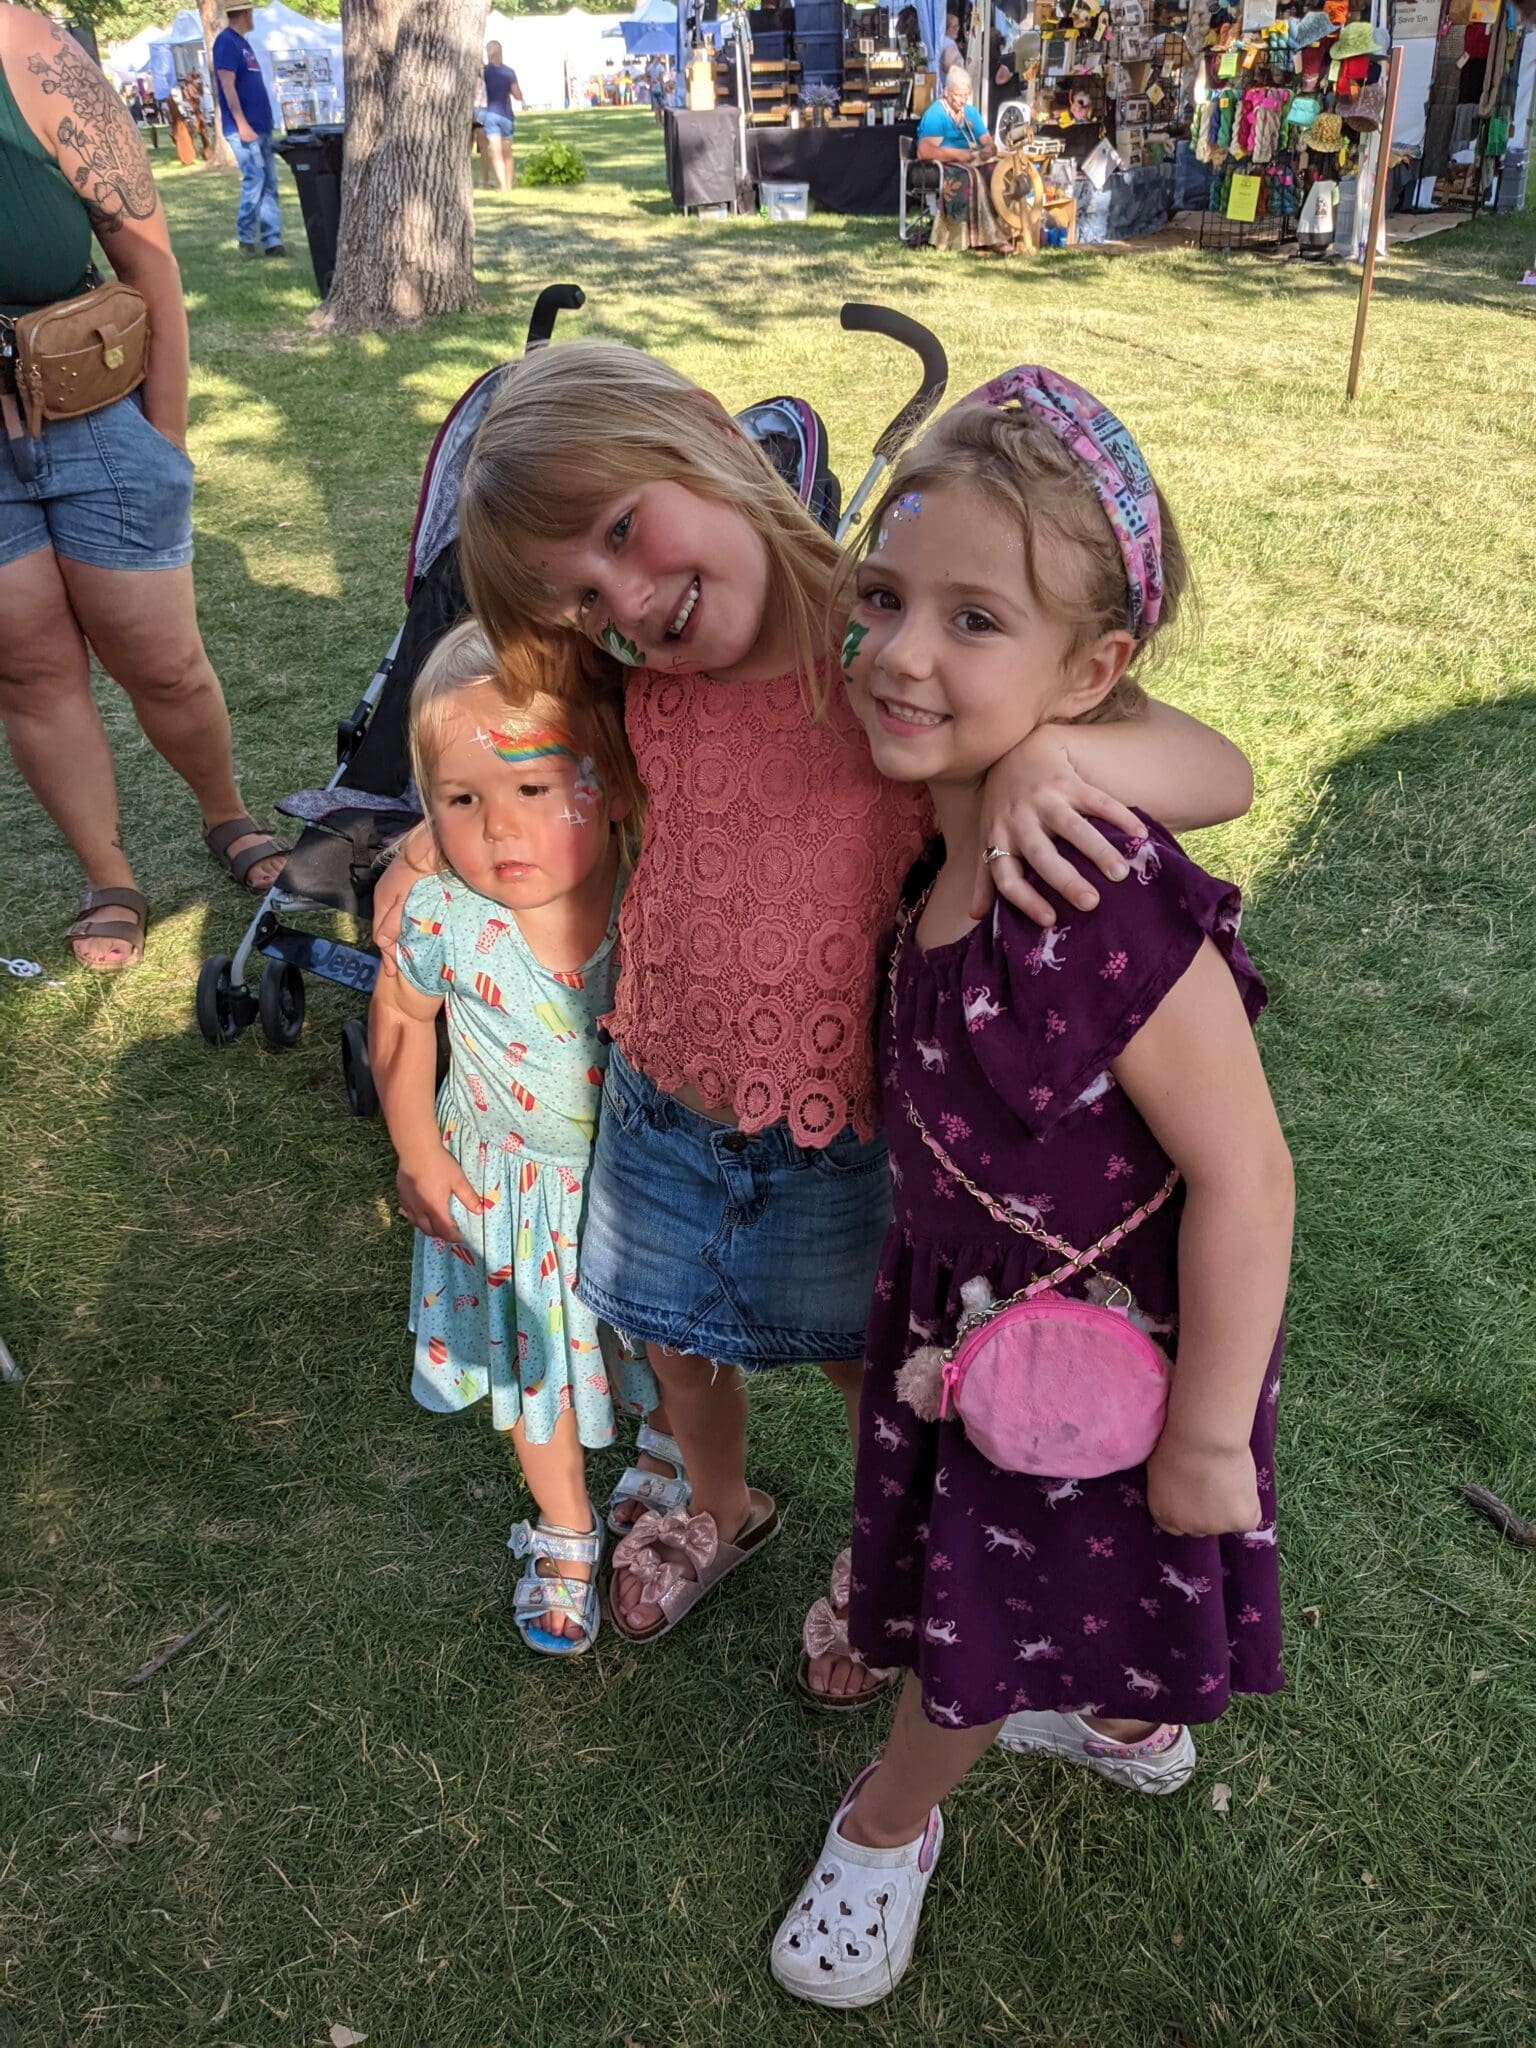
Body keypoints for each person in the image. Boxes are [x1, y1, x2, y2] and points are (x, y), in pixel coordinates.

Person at [372, 341, 1254, 1690]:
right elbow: (501, 742)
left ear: (700, 435)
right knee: (675, 1342)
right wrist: (421, 845)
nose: (626, 599)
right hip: (663, 1099)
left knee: (870, 1373)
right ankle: (717, 1504)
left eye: (622, 530)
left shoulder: (895, 637)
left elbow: (1219, 769)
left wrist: (1060, 756)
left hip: (847, 1129)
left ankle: (882, 1554)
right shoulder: (635, 685)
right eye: (583, 595)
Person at [769, 369, 1293, 2006]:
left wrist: (1207, 1430)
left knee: (986, 1600)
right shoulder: (954, 825)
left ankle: (888, 1819)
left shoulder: (1085, 883)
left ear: (1092, 675)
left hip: (1095, 1352)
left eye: (973, 618)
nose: (903, 651)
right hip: (966, 1319)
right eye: (885, 598)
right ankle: (1124, 1715)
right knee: (1052, 1577)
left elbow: (1249, 1167)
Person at [370, 621, 666, 1654]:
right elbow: (402, 1020)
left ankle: (669, 1454)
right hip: (515, 1199)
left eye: (534, 789)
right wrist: (418, 1150)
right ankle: (567, 1526)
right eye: (462, 801)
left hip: (647, 1186)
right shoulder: (444, 917)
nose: (499, 827)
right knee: (540, 1371)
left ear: (615, 787)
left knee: (672, 1348)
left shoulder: (656, 888)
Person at [0, 3, 286, 969]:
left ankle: (226, 815)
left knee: (160, 658)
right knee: (29, 668)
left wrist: (164, 442)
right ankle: (108, 876)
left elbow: (150, 264)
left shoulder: (27, 50)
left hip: (89, 409)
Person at [212, 3, 284, 257]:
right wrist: (241, 123)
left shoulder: (243, 44)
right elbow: (227, 86)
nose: (252, 16)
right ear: (245, 14)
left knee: (269, 183)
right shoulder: (226, 43)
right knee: (255, 180)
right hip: (244, 128)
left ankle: (272, 240)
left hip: (261, 127)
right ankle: (246, 238)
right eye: (250, 11)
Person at [916, 65, 1007, 251]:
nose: (963, 100)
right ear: (946, 92)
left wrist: (990, 149)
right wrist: (959, 155)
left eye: (966, 95)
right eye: (958, 95)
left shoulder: (970, 112)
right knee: (968, 176)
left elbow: (989, 142)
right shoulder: (936, 113)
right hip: (941, 165)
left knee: (998, 170)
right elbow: (924, 151)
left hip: (970, 159)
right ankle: (970, 238)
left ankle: (1004, 231)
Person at [480, 40, 524, 192]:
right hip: (506, 115)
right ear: (501, 52)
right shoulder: (509, 72)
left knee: (496, 152)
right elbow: (518, 95)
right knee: (507, 153)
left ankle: (502, 185)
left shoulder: (484, 72)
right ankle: (509, 186)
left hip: (490, 115)